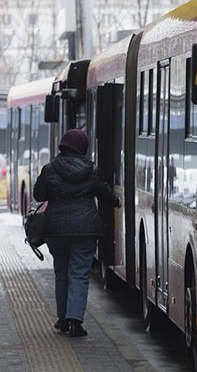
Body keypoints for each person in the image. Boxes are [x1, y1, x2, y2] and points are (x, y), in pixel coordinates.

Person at [33, 129, 120, 337]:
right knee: (79, 274)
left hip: (55, 229)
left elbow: (38, 194)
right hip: (85, 228)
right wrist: (115, 201)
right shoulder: (91, 169)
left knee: (61, 272)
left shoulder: (50, 168)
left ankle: (62, 320)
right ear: (82, 148)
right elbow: (104, 193)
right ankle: (75, 321)